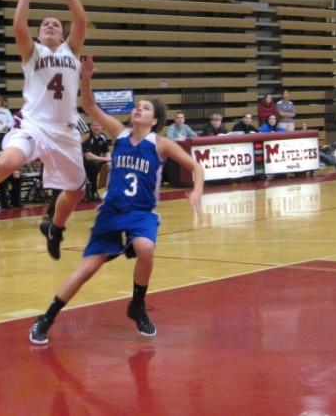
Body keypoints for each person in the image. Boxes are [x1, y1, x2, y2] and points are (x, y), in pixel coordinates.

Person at [28, 57, 204, 345]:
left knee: (145, 247)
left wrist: (196, 190)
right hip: (111, 213)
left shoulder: (160, 144)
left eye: (145, 108)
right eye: (138, 105)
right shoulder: (119, 134)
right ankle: (46, 317)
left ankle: (136, 304)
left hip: (140, 213)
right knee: (87, 269)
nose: (139, 108)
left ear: (155, 120)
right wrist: (86, 78)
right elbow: (89, 106)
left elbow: (197, 167)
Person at [0, 0, 88, 259]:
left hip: (65, 132)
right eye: (45, 24)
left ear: (62, 35)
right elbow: (19, 25)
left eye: (56, 25)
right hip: (33, 125)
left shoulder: (72, 52)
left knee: (76, 191)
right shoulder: (33, 53)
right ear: (39, 33)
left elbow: (80, 19)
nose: (50, 26)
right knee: (9, 162)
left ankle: (54, 227)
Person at [83, 120, 111, 202]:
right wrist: (107, 159)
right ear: (90, 127)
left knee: (111, 165)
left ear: (102, 128)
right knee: (92, 166)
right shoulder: (87, 136)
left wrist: (108, 161)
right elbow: (88, 156)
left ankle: (106, 190)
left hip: (96, 161)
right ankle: (90, 192)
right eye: (94, 125)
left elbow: (107, 151)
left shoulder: (103, 137)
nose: (97, 128)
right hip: (83, 161)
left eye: (99, 126)